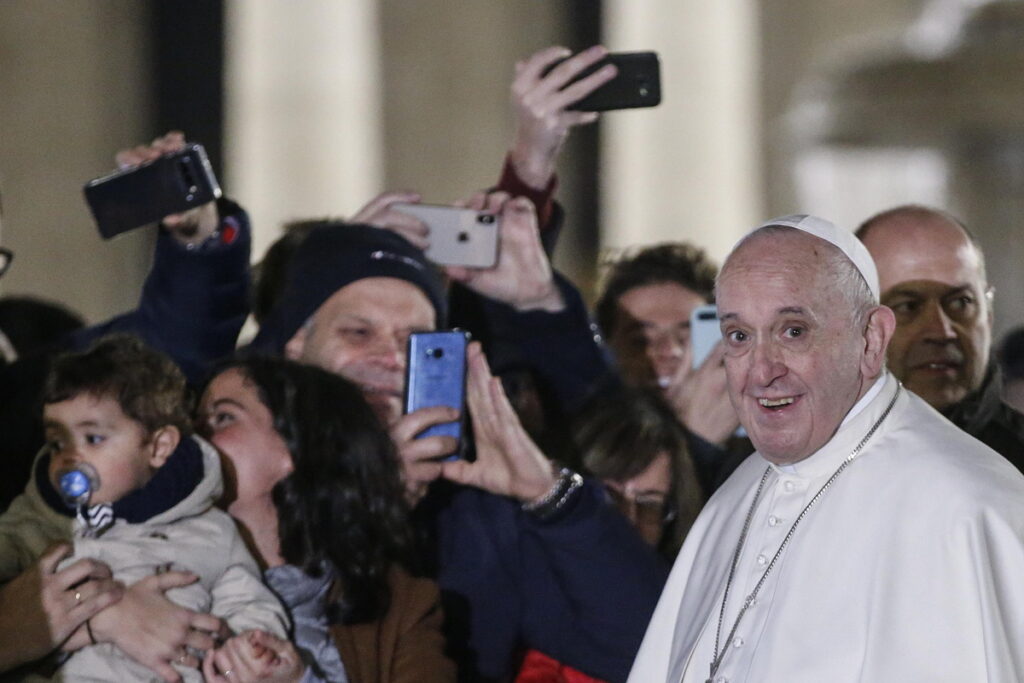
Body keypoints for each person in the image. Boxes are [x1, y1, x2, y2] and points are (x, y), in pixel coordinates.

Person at [628, 215, 1024, 682]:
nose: (761, 371)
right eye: (739, 336)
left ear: (872, 339)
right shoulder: (739, 490)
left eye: (793, 331)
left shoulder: (966, 507)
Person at [0, 335, 287, 681]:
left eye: (93, 438)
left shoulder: (209, 532)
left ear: (158, 447)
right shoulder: (39, 519)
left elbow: (246, 601)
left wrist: (250, 647)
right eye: (57, 442)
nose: (70, 458)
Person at [198, 355, 454, 683]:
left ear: (296, 448)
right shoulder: (148, 568)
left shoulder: (400, 608)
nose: (194, 437)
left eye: (223, 417)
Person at [856, 205, 1024, 471]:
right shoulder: (798, 464)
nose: (941, 331)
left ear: (988, 315)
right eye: (908, 306)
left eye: (961, 303)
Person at [594, 244, 748, 495]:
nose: (669, 351)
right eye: (641, 340)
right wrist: (696, 446)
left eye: (687, 337)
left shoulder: (764, 444)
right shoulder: (585, 452)